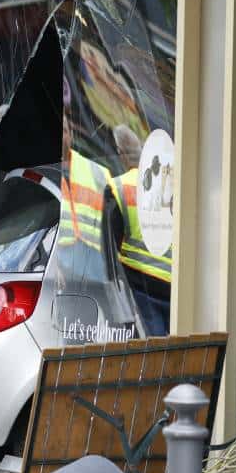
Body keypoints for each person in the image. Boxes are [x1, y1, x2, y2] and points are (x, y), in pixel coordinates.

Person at [106, 125, 171, 336]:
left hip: (141, 286)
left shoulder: (119, 187)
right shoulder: (166, 187)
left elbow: (111, 246)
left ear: (120, 153)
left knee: (152, 355)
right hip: (172, 284)